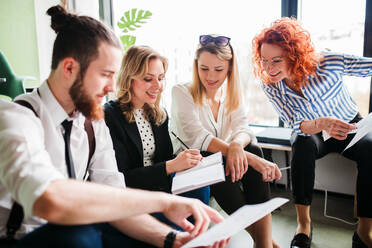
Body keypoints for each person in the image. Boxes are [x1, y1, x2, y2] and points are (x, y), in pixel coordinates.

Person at [0, 5, 228, 248]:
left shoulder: (92, 124)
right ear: (69, 68)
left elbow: (117, 200)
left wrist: (173, 239)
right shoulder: (16, 118)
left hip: (79, 230)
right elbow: (50, 201)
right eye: (105, 74)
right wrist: (164, 202)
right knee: (78, 235)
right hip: (21, 238)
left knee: (166, 232)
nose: (111, 87)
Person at [252, 17, 372, 248]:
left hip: (349, 126)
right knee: (301, 143)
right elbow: (292, 121)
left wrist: (333, 124)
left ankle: (365, 229)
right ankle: (304, 224)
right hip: (313, 131)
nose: (268, 68)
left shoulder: (330, 61)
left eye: (276, 60)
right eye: (264, 60)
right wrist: (320, 123)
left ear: (295, 55)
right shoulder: (270, 84)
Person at [171, 34, 282, 248]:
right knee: (219, 161)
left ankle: (264, 244)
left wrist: (237, 146)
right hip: (191, 162)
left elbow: (243, 128)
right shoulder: (181, 92)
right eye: (204, 69)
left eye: (218, 70)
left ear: (230, 68)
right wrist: (244, 155)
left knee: (253, 149)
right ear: (196, 67)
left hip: (221, 158)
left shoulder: (231, 93)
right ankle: (267, 242)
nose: (210, 76)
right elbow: (198, 138)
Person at [104, 45, 210, 229]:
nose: (157, 86)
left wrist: (184, 162)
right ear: (129, 79)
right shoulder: (111, 116)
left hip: (160, 187)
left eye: (161, 78)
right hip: (134, 196)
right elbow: (122, 179)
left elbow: (163, 159)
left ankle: (195, 237)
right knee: (181, 220)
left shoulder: (158, 114)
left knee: (200, 185)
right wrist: (171, 166)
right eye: (148, 79)